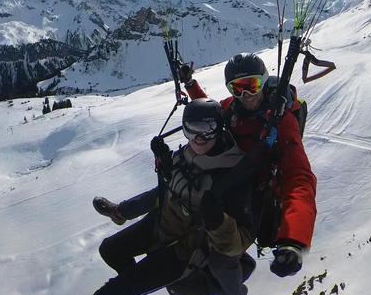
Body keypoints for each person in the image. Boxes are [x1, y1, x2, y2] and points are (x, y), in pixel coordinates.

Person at [0, 99, 254, 295]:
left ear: (219, 129)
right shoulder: (187, 155)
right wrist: (133, 202)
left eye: (206, 130)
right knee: (110, 250)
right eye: (190, 129)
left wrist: (218, 221)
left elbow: (239, 242)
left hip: (185, 250)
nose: (197, 138)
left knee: (121, 288)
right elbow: (164, 193)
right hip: (163, 225)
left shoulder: (232, 175)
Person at [95, 52, 317, 279]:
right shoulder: (233, 107)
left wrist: (294, 241)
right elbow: (212, 111)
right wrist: (190, 84)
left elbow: (299, 178)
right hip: (225, 168)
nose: (246, 95)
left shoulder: (282, 122)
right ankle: (120, 212)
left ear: (263, 79)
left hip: (253, 189)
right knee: (174, 189)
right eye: (236, 88)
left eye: (251, 85)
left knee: (221, 260)